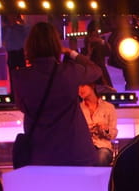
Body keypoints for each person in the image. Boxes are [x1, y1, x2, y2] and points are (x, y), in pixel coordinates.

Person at [12, 21, 103, 166]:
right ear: (56, 45)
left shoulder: (20, 77)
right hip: (75, 152)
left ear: (30, 46)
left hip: (40, 154)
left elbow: (22, 107)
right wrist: (71, 53)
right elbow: (96, 70)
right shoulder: (69, 71)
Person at [78, 83, 118, 165]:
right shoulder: (78, 108)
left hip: (103, 147)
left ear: (92, 85)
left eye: (82, 85)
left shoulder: (108, 107)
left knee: (101, 156)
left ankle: (95, 173)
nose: (80, 90)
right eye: (77, 87)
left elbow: (113, 134)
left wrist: (106, 129)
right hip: (84, 148)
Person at [83, 21, 113, 89]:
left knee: (106, 88)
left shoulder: (100, 42)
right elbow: (85, 57)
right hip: (91, 70)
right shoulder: (87, 42)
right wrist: (89, 49)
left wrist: (101, 41)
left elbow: (109, 52)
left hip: (101, 69)